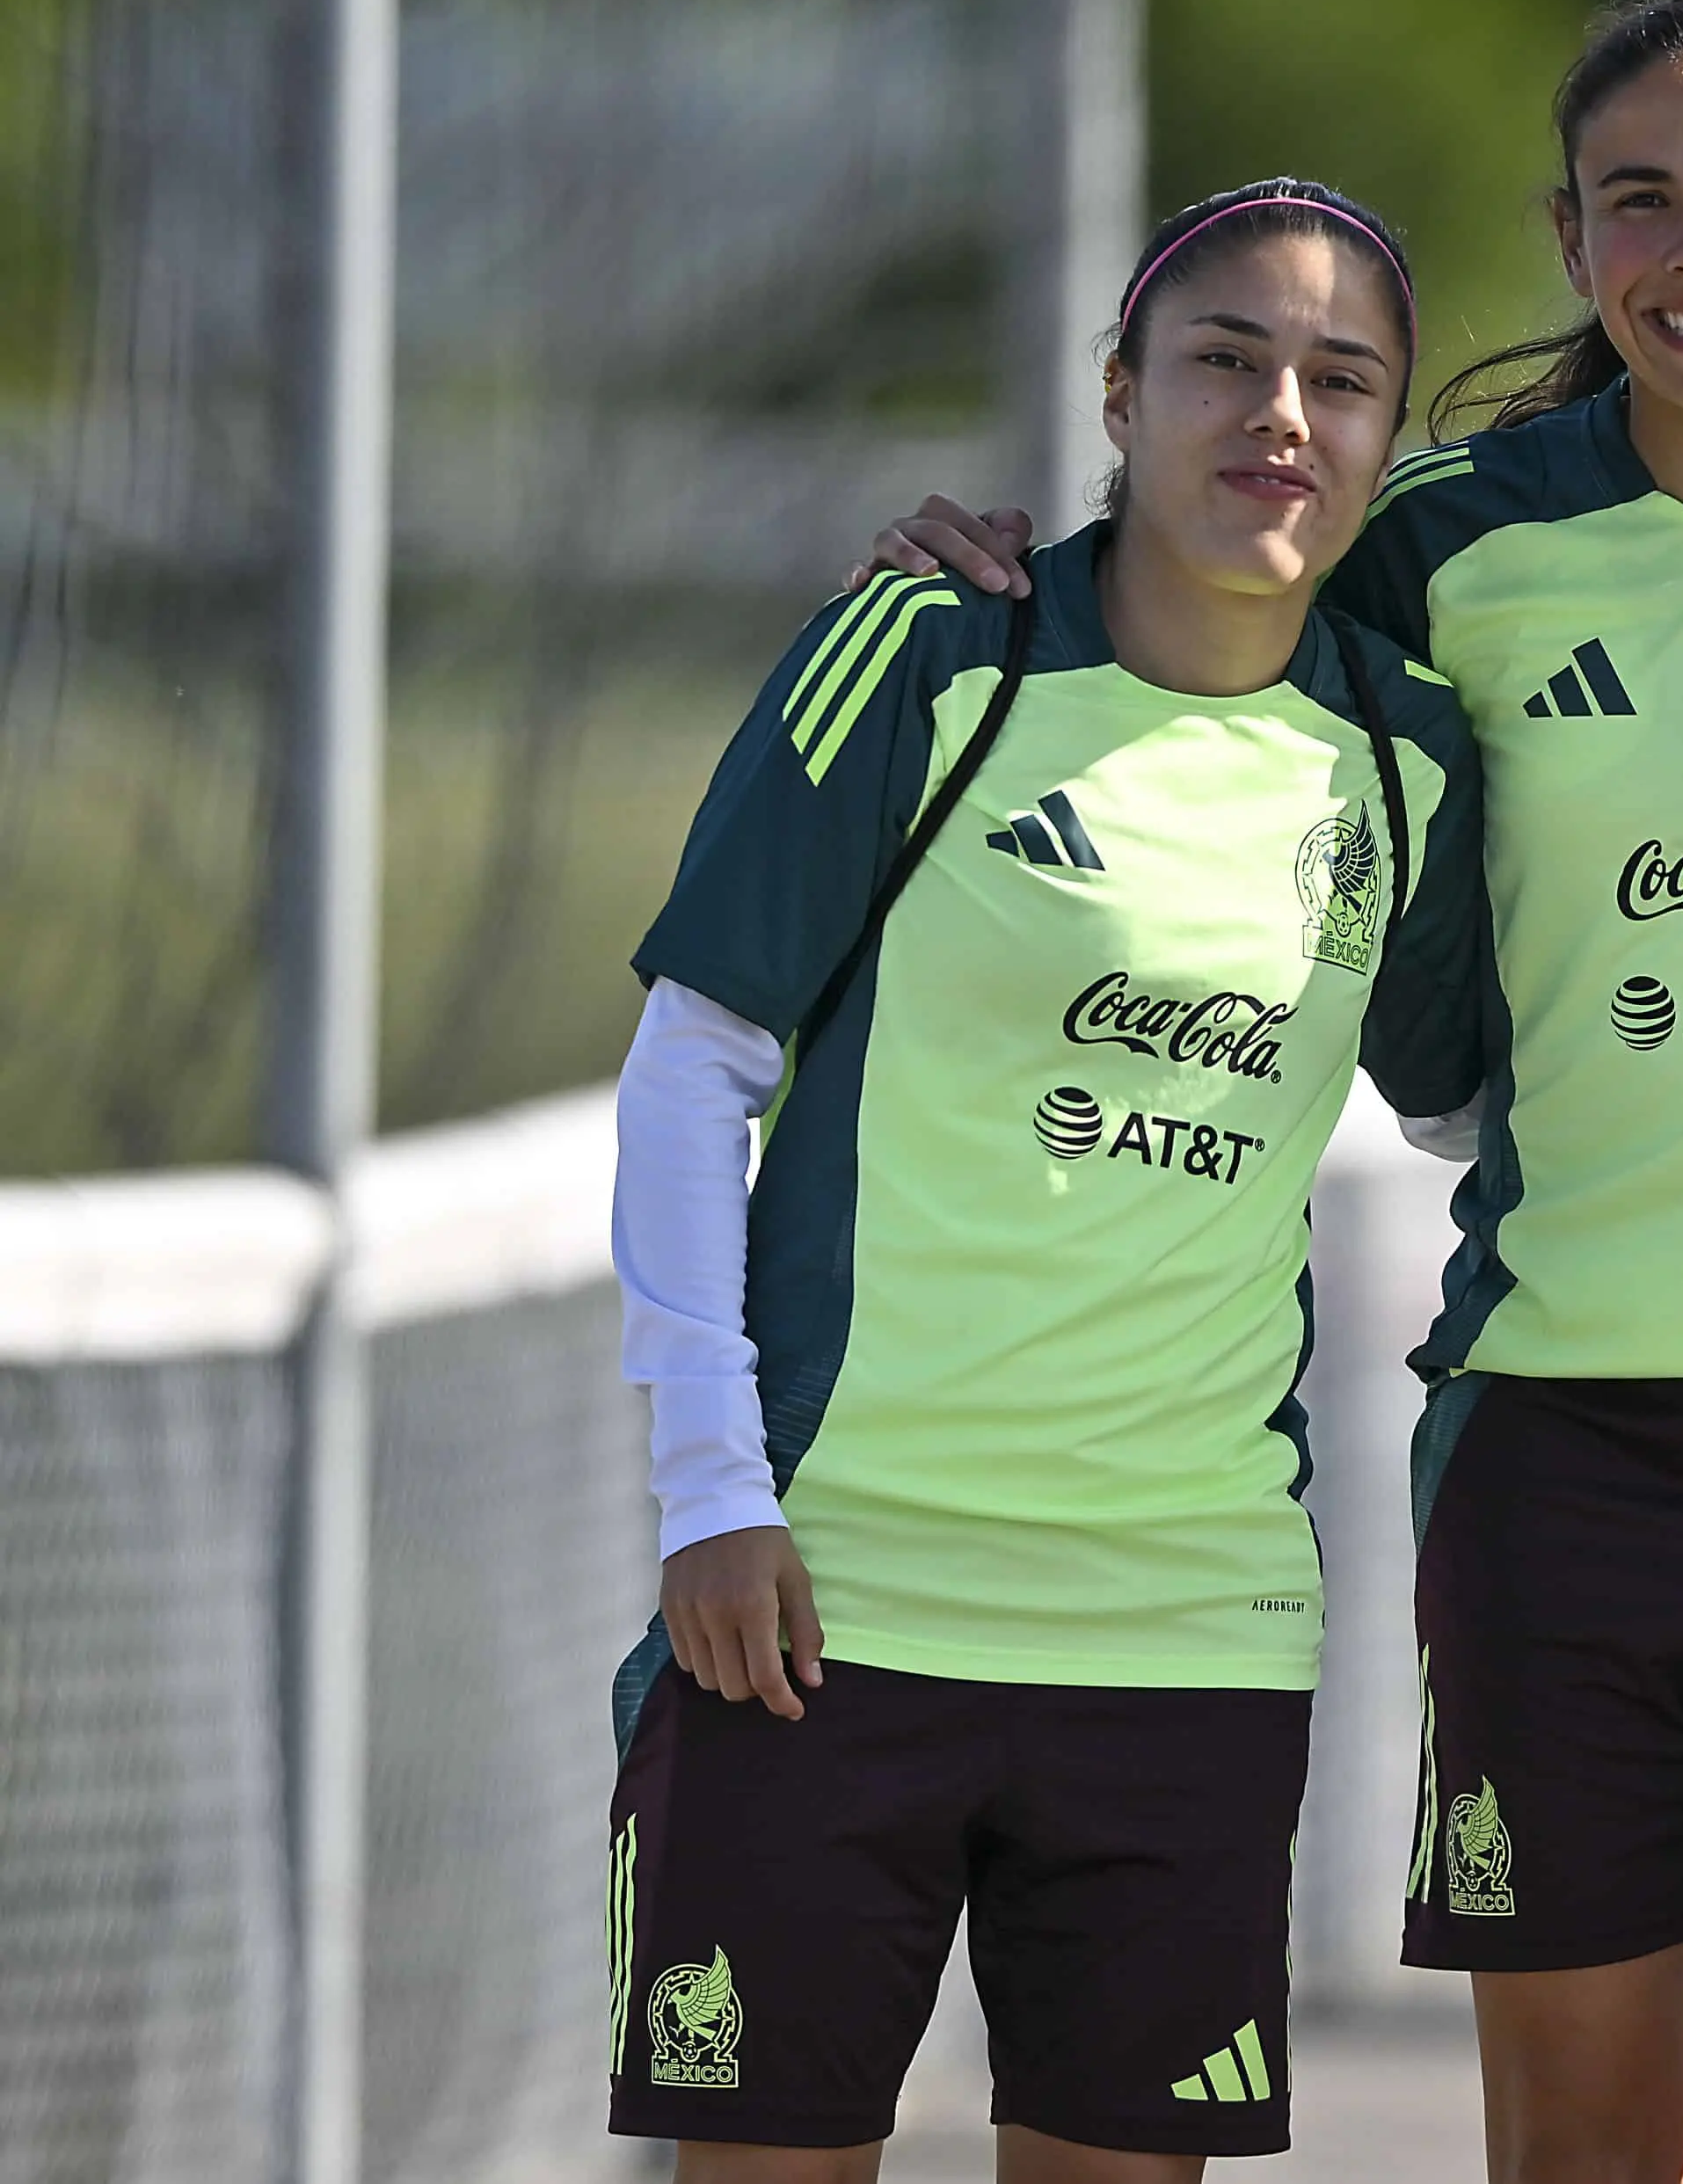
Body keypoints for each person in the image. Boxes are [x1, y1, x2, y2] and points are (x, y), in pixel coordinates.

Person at [865, 0, 1683, 2184]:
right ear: (1571, 238)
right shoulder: (1449, 545)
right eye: (1639, 199)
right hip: (1571, 1454)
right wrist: (989, 584)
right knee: (1576, 2145)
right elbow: (1200, 571)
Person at [603, 178, 1483, 2182]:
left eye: (1342, 379)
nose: (1282, 409)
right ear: (1118, 391)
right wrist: (712, 1489)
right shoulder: (934, 653)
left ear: (1381, 438)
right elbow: (691, 1073)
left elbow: (1481, 1100)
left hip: (1186, 1635)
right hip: (824, 1606)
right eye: (1227, 358)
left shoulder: (1402, 752)